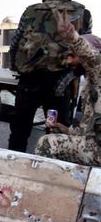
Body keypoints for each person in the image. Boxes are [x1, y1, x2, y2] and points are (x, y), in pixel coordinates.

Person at [8, 0, 93, 153]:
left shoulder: (32, 11)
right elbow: (86, 49)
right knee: (56, 134)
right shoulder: (82, 13)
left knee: (19, 133)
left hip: (29, 84)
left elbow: (14, 45)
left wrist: (17, 68)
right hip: (61, 86)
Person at [35, 10, 101, 166]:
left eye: (73, 55)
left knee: (47, 143)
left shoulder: (98, 68)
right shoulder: (90, 84)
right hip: (94, 146)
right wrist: (66, 130)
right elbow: (87, 132)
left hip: (97, 150)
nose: (68, 61)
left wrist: (73, 38)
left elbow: (90, 56)